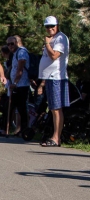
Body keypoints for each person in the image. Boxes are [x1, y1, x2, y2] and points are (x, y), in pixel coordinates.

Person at [38, 16, 70, 147]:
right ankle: (55, 136)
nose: (50, 29)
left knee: (56, 109)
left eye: (52, 26)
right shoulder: (53, 39)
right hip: (50, 78)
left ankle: (56, 137)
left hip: (57, 77)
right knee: (53, 109)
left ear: (57, 25)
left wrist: (46, 43)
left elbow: (54, 56)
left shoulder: (61, 38)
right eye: (47, 26)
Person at [6, 35, 31, 137]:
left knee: (21, 109)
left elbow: (20, 70)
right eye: (8, 44)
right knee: (14, 108)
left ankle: (24, 130)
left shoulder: (21, 52)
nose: (10, 46)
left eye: (12, 43)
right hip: (16, 85)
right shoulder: (15, 53)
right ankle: (17, 129)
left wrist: (15, 83)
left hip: (21, 85)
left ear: (18, 42)